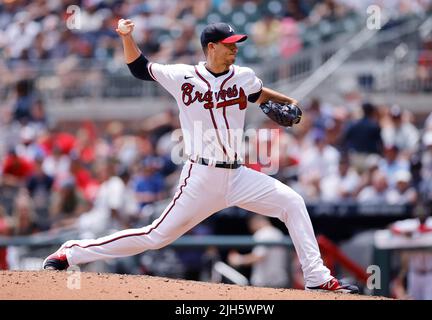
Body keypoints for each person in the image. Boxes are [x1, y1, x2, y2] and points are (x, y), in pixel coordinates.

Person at [42, 20, 358, 294]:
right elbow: (140, 68)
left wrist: (290, 102)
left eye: (236, 44)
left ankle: (316, 277)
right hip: (201, 177)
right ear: (210, 47)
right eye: (228, 44)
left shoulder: (243, 76)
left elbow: (260, 93)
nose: (235, 49)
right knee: (155, 237)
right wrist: (126, 37)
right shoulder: (183, 76)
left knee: (293, 202)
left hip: (238, 176)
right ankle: (70, 253)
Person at [227, 215, 290, 288]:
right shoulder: (278, 233)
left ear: (255, 222)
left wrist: (239, 259)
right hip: (280, 281)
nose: (251, 229)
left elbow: (259, 256)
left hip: (265, 283)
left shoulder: (262, 233)